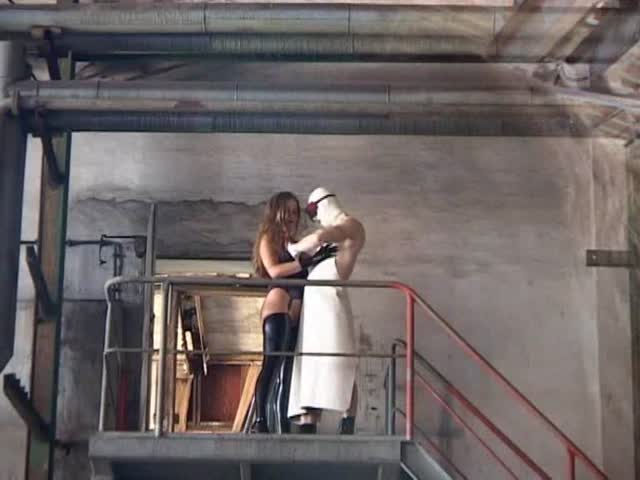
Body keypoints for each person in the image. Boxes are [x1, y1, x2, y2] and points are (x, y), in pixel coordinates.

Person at [250, 191, 336, 434]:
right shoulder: (269, 238)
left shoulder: (296, 244)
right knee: (271, 364)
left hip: (297, 308)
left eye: (295, 212)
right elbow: (274, 271)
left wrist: (318, 257)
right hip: (279, 303)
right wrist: (303, 263)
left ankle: (283, 426)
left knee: (288, 371)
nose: (291, 216)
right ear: (275, 211)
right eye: (286, 211)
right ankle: (260, 421)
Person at [287, 187, 366, 434]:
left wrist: (295, 247)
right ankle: (308, 423)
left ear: (325, 203)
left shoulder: (350, 226)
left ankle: (347, 422)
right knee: (310, 365)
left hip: (331, 302)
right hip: (313, 306)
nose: (315, 217)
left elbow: (323, 235)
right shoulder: (330, 236)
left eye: (313, 211)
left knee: (339, 360)